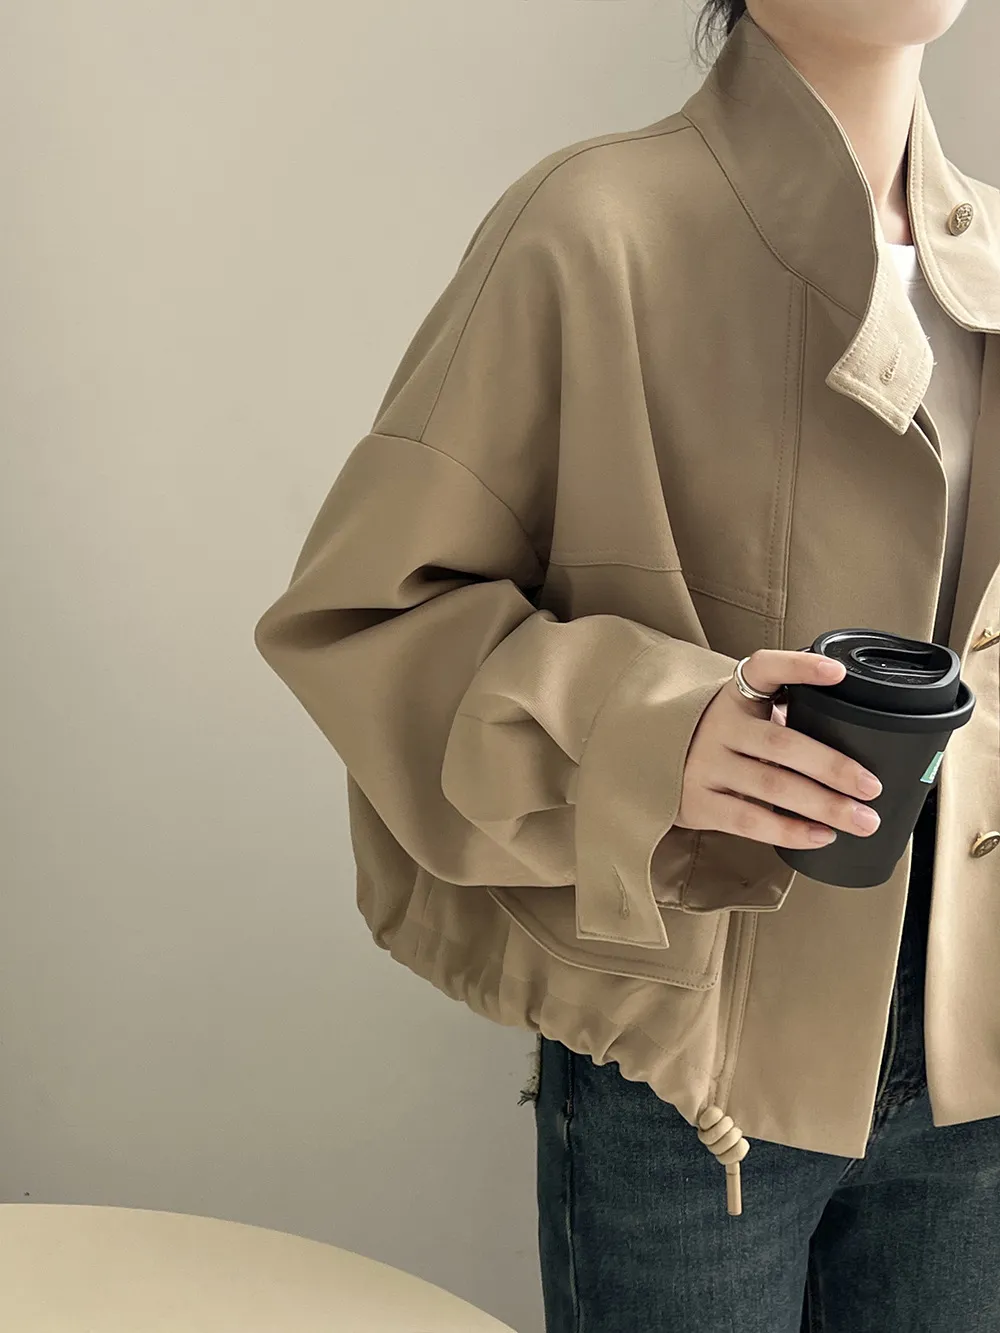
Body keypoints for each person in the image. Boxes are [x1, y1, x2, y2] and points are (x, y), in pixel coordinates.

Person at [255, 1, 1000, 1328]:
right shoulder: (592, 227)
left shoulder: (993, 262)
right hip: (691, 1075)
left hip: (979, 1061)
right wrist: (651, 727)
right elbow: (363, 614)